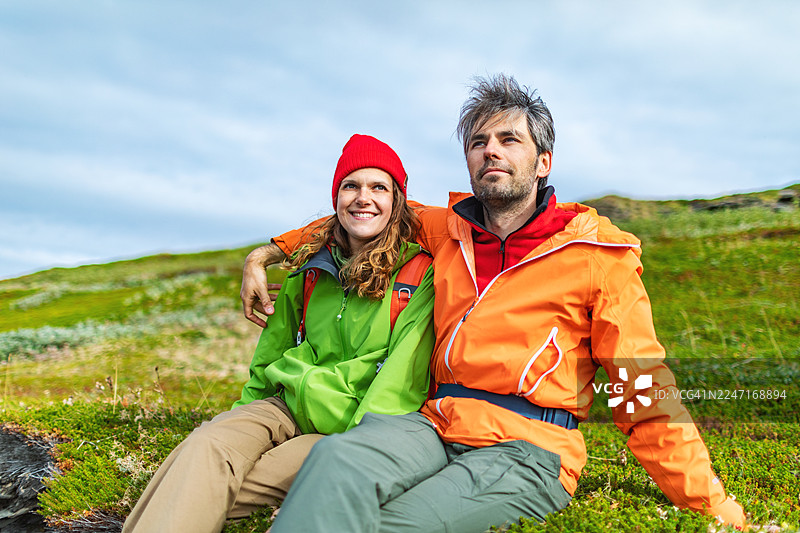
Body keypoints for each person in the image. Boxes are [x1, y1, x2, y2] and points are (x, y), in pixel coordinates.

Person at [240, 74, 747, 532]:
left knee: (395, 526)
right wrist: (269, 253)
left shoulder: (600, 257)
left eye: (509, 140)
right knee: (335, 460)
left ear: (543, 162)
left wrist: (716, 509)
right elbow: (366, 210)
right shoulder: (446, 230)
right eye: (478, 142)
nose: (490, 151)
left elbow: (642, 391)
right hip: (432, 424)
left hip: (529, 447)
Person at [122, 134, 435, 533]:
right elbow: (269, 355)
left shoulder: (418, 273)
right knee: (205, 446)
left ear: (396, 201)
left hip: (342, 427)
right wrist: (242, 421)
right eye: (350, 186)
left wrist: (355, 452)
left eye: (379, 187)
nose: (363, 197)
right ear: (335, 196)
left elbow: (400, 379)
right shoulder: (308, 267)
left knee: (210, 487)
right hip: (282, 405)